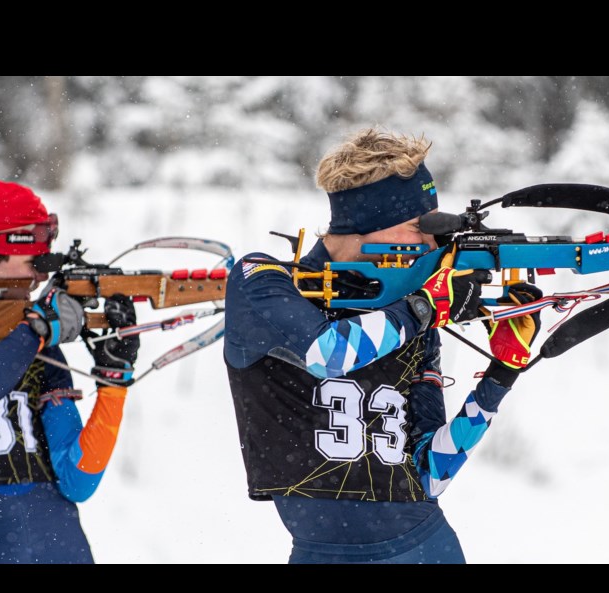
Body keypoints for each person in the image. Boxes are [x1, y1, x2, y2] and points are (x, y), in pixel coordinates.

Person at [225, 128, 558, 563]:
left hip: (425, 546)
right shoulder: (263, 279)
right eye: (419, 227)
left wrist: (501, 374)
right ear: (366, 223)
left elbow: (431, 474)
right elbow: (330, 354)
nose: (430, 244)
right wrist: (425, 305)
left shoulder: (410, 316)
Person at [0, 179, 140, 564]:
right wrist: (35, 330)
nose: (38, 278)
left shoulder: (31, 332)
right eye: (30, 263)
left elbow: (77, 480)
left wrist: (113, 381)